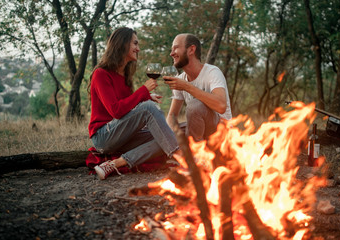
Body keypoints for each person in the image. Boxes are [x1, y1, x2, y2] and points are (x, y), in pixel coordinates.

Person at [88, 27, 179, 180]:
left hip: (122, 135)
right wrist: (143, 92)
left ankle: (116, 163)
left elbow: (128, 108)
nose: (138, 48)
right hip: (103, 136)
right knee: (150, 110)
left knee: (167, 134)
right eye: (135, 44)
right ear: (122, 44)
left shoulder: (125, 76)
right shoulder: (101, 74)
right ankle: (181, 158)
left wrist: (145, 97)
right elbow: (116, 111)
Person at [163, 33, 232, 141]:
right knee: (159, 129)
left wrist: (187, 86)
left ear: (191, 50)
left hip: (221, 137)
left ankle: (194, 155)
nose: (171, 53)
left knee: (195, 106)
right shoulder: (181, 79)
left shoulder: (212, 72)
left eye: (176, 48)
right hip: (199, 136)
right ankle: (185, 152)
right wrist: (175, 136)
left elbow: (221, 106)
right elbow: (172, 116)